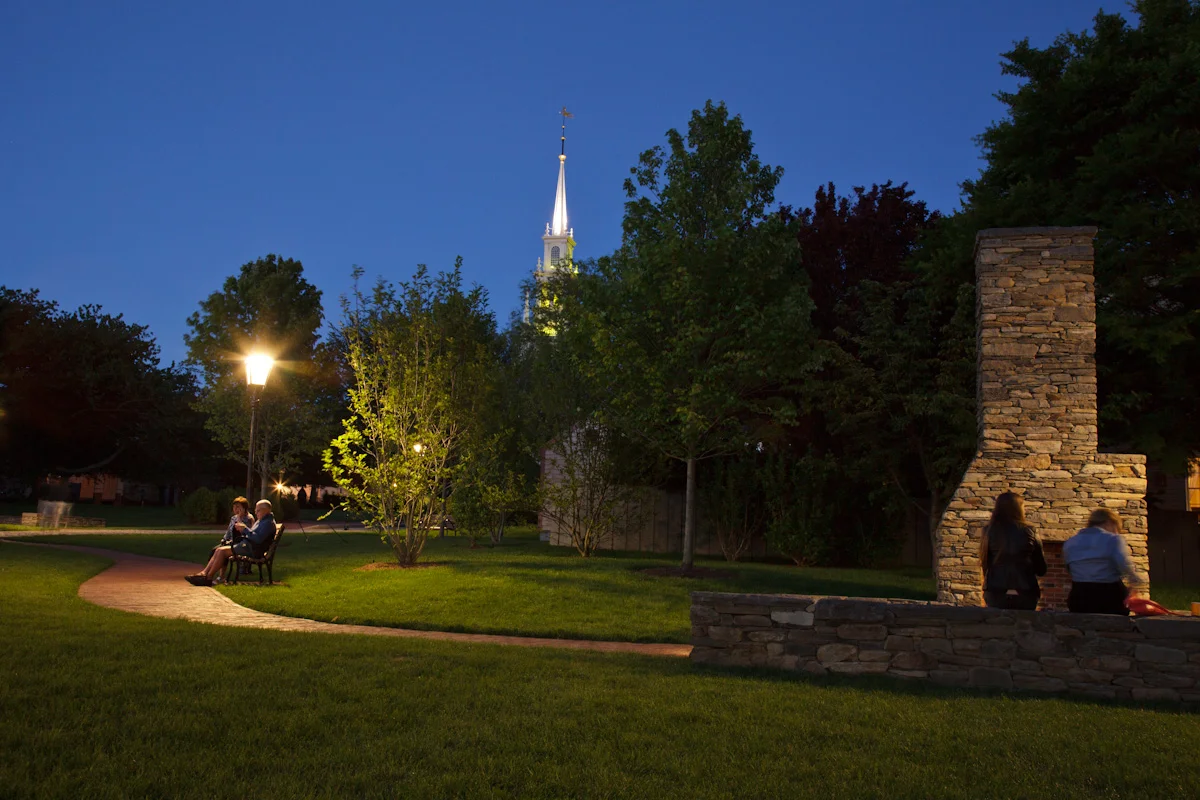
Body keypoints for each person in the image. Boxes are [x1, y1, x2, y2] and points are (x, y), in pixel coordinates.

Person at [1062, 508, 1147, 615]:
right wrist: (1136, 581)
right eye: (1116, 528)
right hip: (1109, 597)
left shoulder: (1070, 542)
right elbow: (1124, 564)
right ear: (1110, 522)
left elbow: (1069, 568)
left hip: (1078, 597)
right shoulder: (1113, 539)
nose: (1116, 532)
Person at [979, 491, 1047, 610]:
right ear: (1019, 509)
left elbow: (985, 563)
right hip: (1025, 590)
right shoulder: (1030, 531)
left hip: (996, 589)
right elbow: (1041, 569)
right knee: (1025, 626)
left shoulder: (988, 531)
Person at [187, 499, 277, 586]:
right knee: (219, 550)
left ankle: (208, 577)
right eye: (256, 510)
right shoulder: (262, 521)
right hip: (248, 546)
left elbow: (258, 539)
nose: (256, 512)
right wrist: (244, 530)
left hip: (253, 550)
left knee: (222, 551)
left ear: (266, 510)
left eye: (258, 510)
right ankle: (204, 574)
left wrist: (245, 529)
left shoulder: (268, 523)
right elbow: (254, 535)